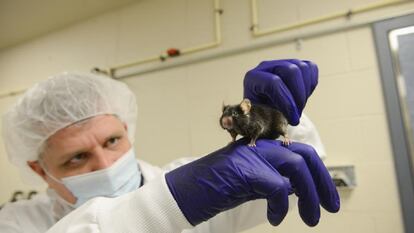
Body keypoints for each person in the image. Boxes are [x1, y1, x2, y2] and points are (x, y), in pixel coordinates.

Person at [0, 59, 339, 233]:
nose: (105, 163)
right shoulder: (18, 223)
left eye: (112, 140)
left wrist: (271, 118)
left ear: (127, 130)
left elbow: (294, 168)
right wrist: (164, 206)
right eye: (77, 158)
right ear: (38, 169)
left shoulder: (191, 179)